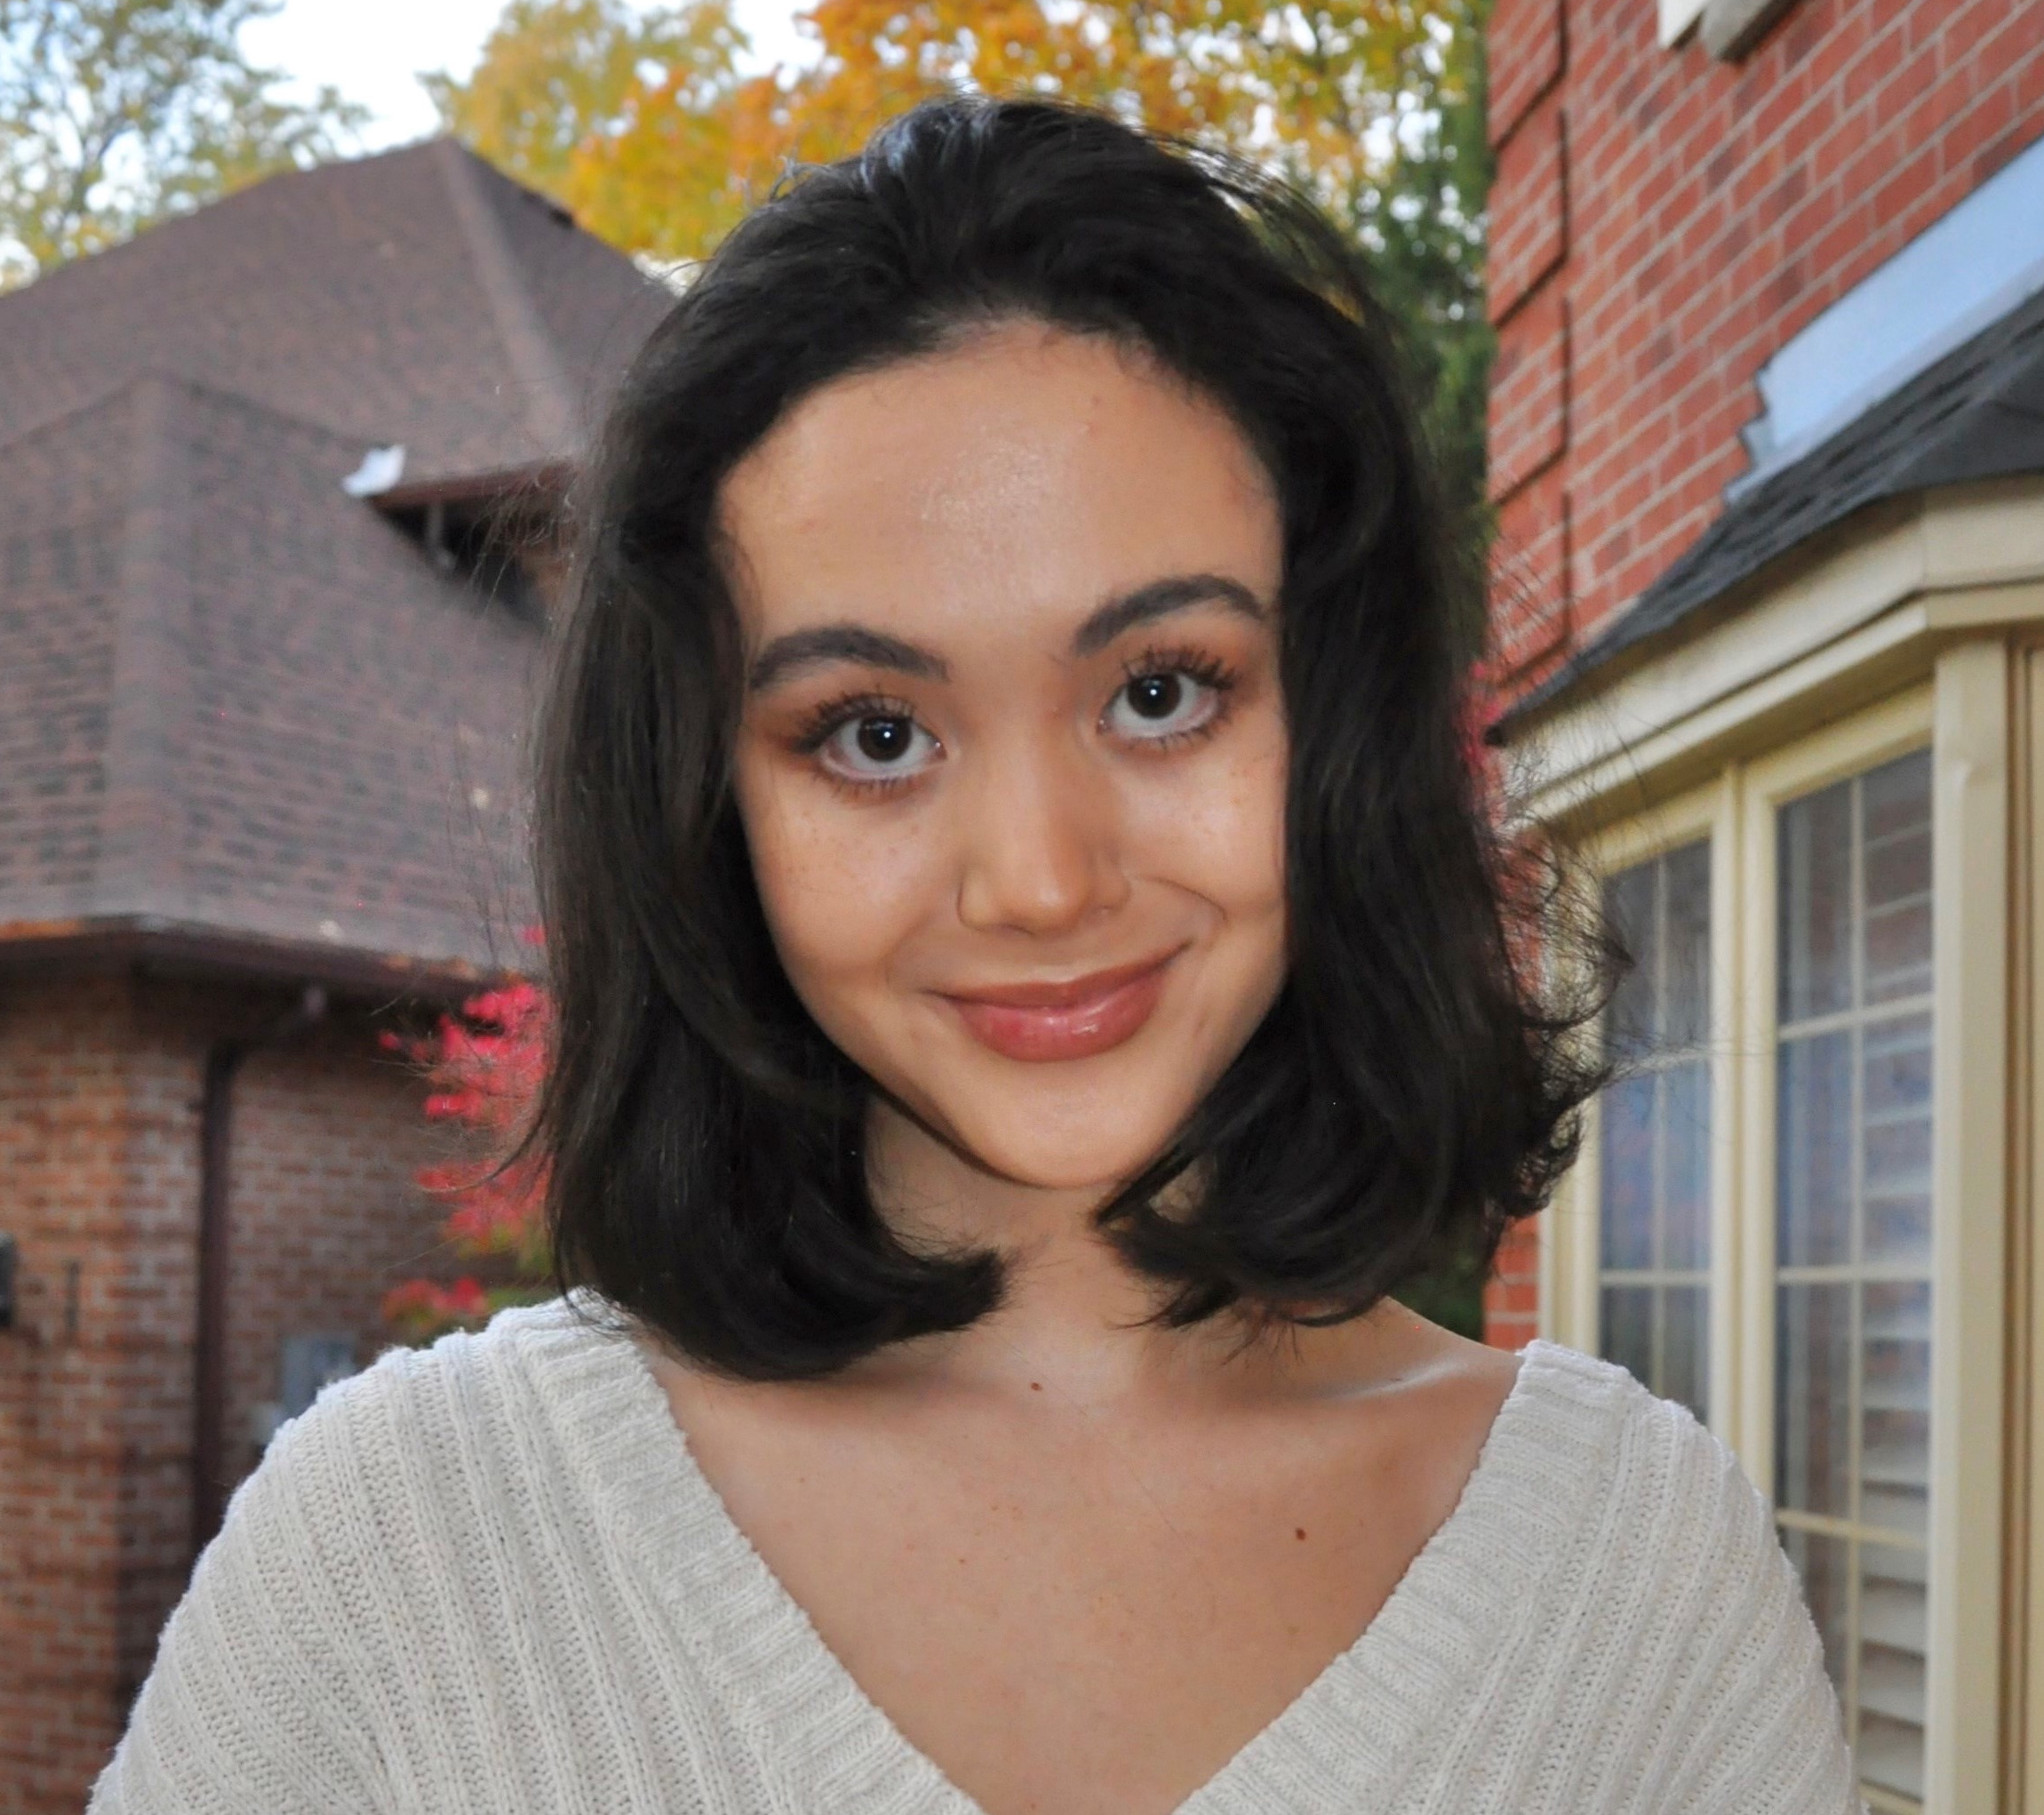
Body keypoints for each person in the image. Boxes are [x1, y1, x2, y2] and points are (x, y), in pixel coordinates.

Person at [91, 97, 1861, 1814]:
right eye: (871, 732)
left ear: (1329, 731)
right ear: (712, 805)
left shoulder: (1633, 1583)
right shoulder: (408, 1549)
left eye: (1159, 692)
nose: (1034, 878)